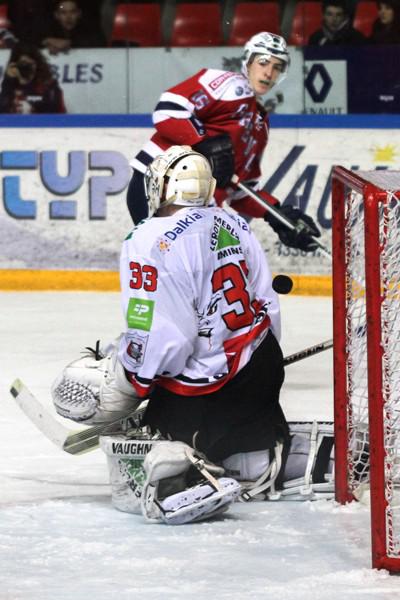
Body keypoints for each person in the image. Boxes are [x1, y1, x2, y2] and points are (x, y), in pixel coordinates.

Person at [51, 146, 334, 525]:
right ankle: (259, 457)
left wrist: (132, 376)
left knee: (159, 447)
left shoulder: (149, 238)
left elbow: (169, 336)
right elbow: (266, 302)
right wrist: (254, 358)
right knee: (240, 430)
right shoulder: (232, 223)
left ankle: (193, 476)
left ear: (163, 188)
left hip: (206, 391)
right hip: (261, 365)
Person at [127, 31, 321, 254]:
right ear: (248, 62)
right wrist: (203, 145)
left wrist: (276, 214)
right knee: (177, 273)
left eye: (277, 67)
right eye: (263, 62)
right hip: (158, 187)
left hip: (199, 208)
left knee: (209, 276)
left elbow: (239, 188)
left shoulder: (260, 125)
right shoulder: (228, 85)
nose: (269, 72)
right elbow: (168, 109)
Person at [0, 42, 66, 114]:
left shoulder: (48, 85)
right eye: (23, 64)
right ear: (15, 65)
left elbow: (57, 114)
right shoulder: (9, 85)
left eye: (30, 64)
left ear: (37, 64)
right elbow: (2, 112)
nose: (26, 68)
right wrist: (8, 81)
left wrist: (33, 110)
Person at [41, 0, 107, 55]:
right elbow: (35, 43)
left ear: (79, 14)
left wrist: (69, 43)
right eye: (63, 13)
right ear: (56, 15)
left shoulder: (90, 30)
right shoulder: (48, 30)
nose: (68, 17)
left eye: (73, 12)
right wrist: (47, 42)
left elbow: (100, 44)